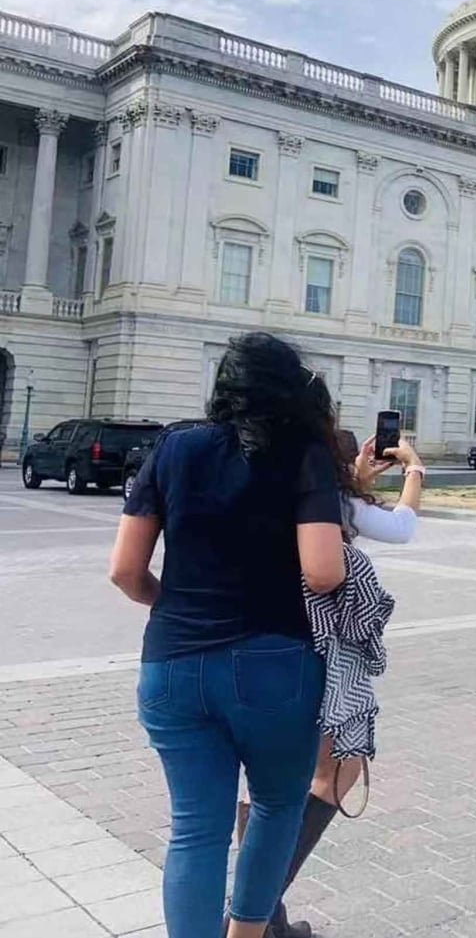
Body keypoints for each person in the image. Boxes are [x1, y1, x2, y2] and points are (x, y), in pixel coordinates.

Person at [108, 332, 347, 938]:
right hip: (273, 663)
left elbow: (124, 572)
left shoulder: (174, 447)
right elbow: (323, 571)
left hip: (171, 665)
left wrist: (176, 605)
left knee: (195, 826)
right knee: (275, 806)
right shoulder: (302, 452)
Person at [261, 429, 425, 938]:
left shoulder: (263, 484)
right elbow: (401, 527)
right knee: (333, 776)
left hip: (252, 648)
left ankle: (267, 918)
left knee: (266, 790)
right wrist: (415, 470)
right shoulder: (330, 503)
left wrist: (351, 480)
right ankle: (249, 913)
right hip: (319, 658)